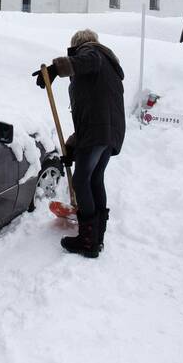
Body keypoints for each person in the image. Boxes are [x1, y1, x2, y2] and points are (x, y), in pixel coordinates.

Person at [40, 28, 125, 258]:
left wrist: (57, 67)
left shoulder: (93, 52)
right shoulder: (105, 70)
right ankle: (97, 236)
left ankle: (88, 240)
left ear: (78, 47)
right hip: (107, 133)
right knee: (95, 179)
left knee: (81, 180)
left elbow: (88, 59)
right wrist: (71, 148)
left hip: (99, 132)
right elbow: (92, 116)